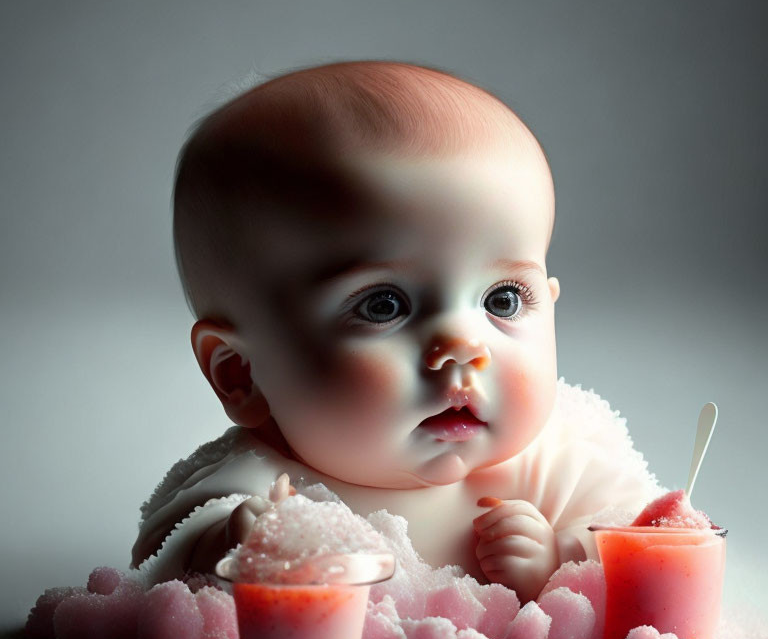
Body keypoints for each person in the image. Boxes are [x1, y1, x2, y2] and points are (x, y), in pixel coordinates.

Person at [132, 60, 660, 603]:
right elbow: (160, 561)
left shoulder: (551, 465)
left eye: (501, 299)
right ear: (241, 373)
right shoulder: (269, 487)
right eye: (385, 306)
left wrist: (561, 556)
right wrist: (241, 547)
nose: (462, 348)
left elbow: (644, 537)